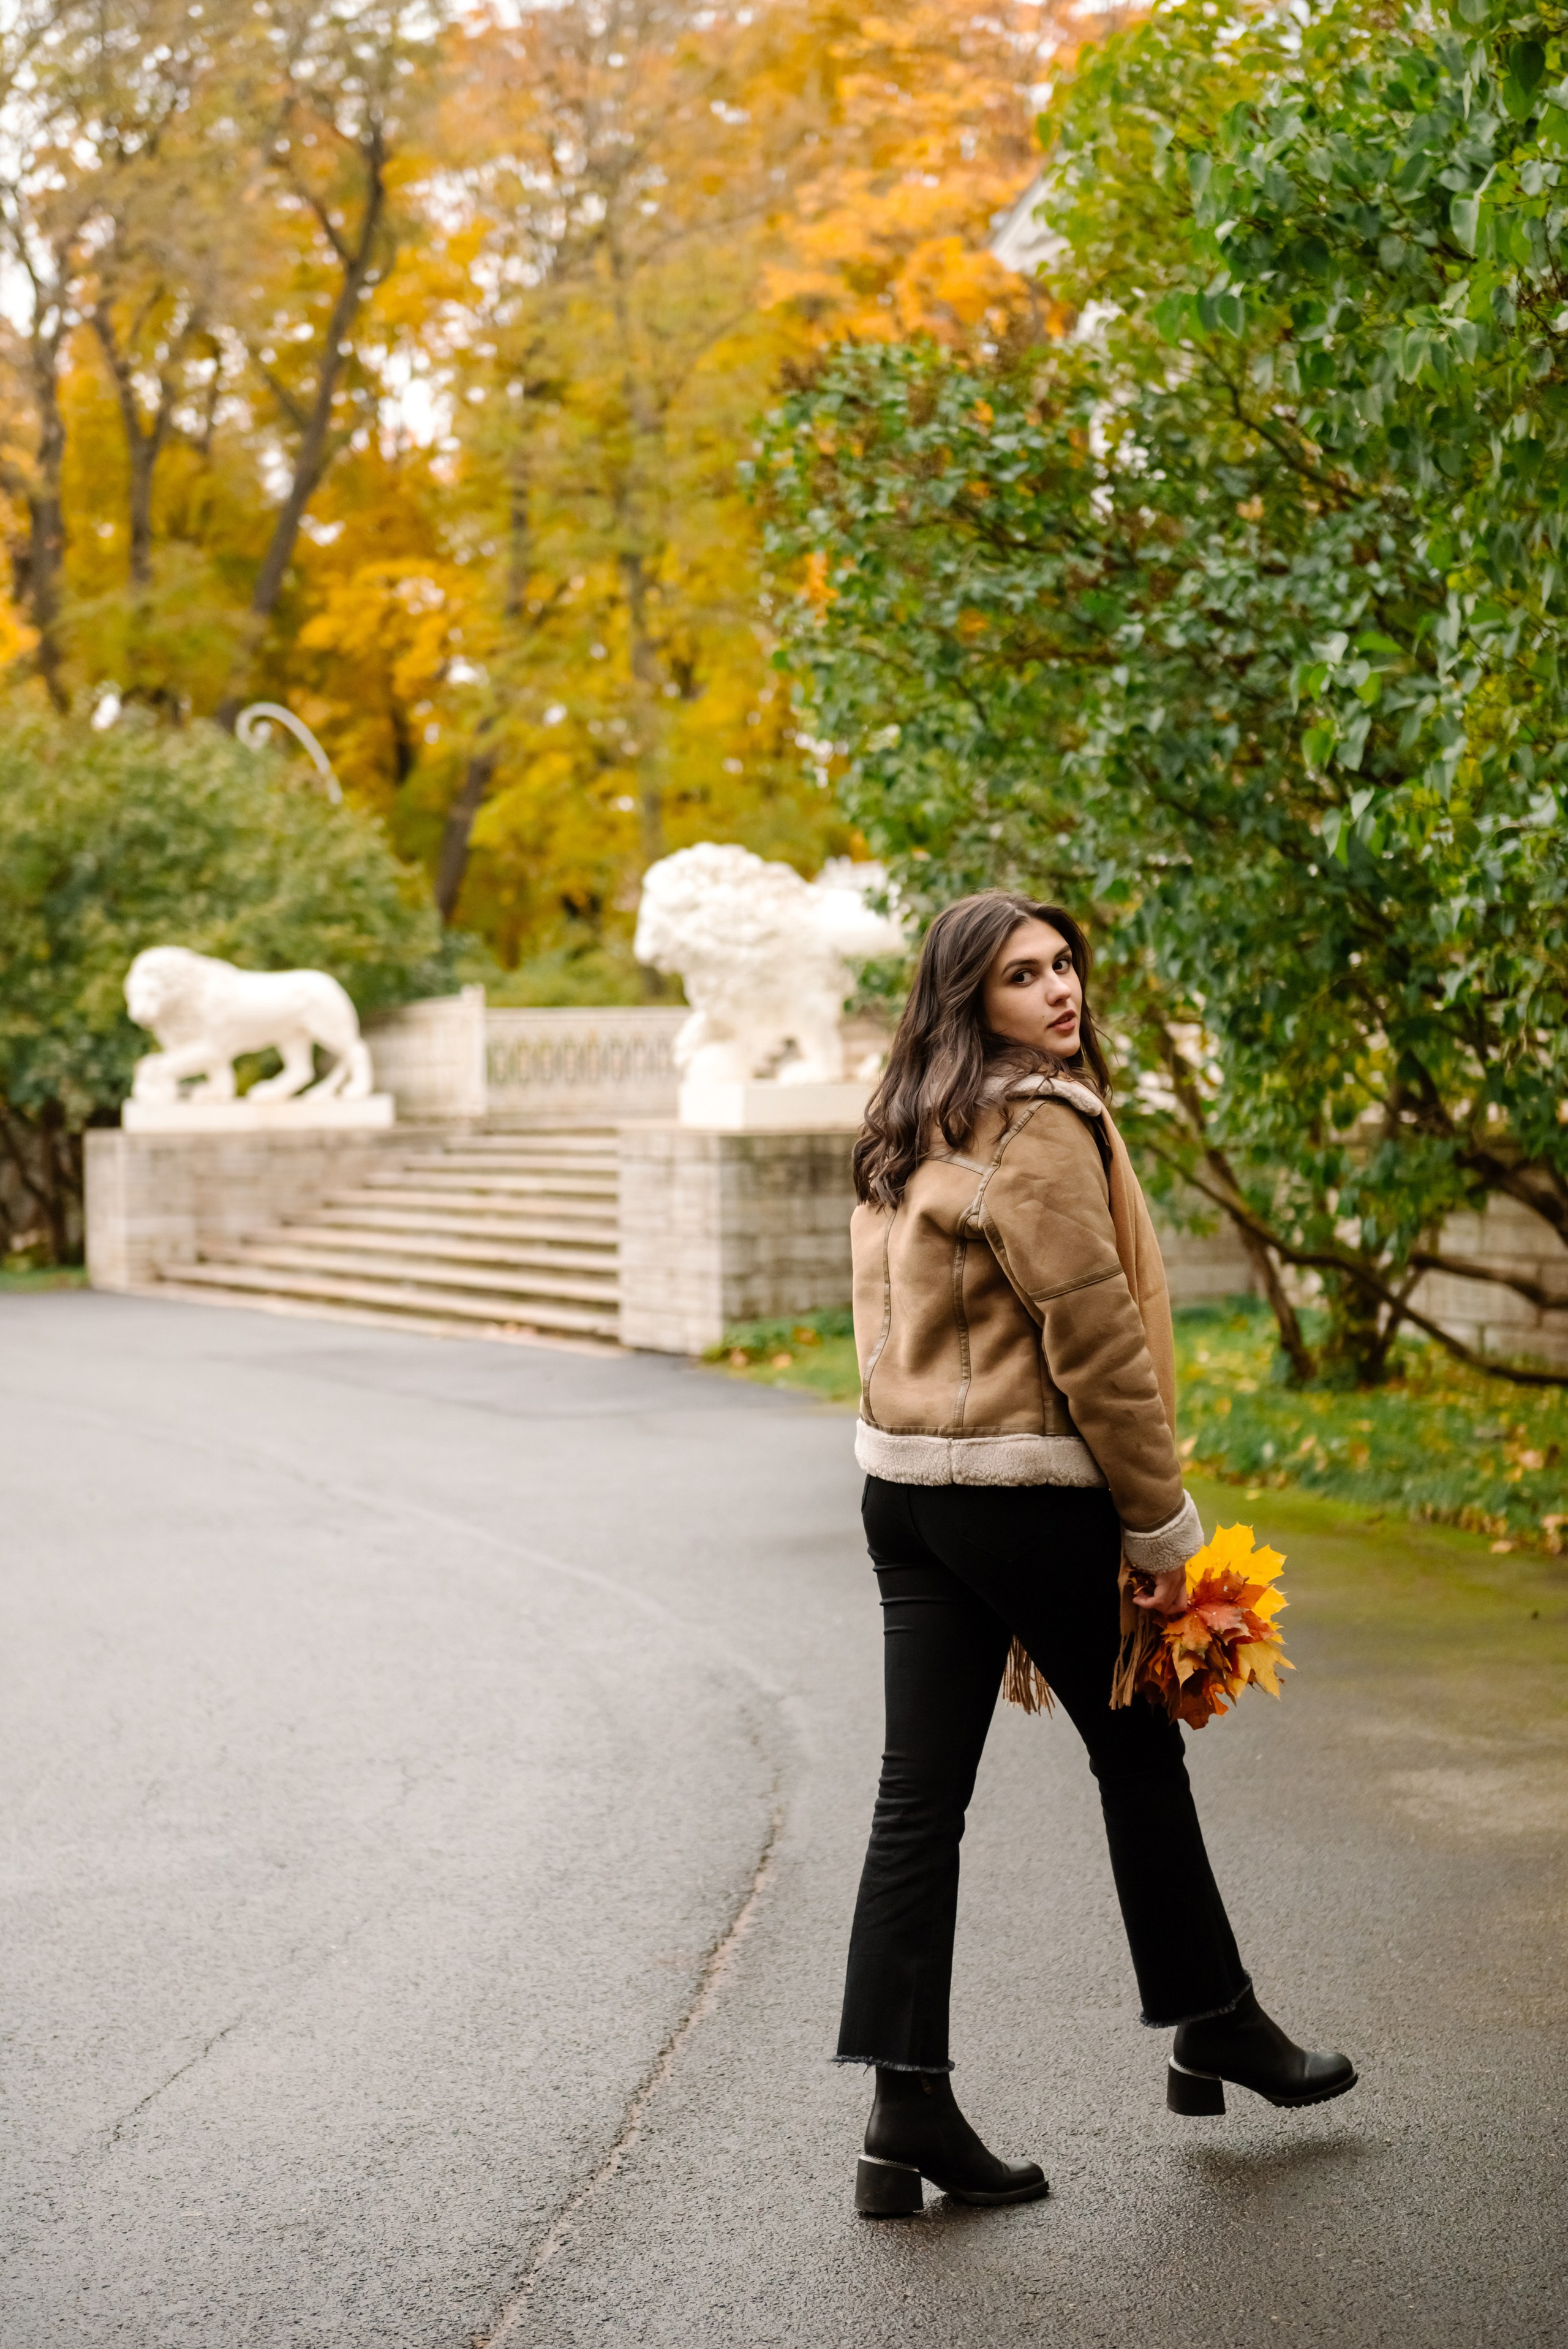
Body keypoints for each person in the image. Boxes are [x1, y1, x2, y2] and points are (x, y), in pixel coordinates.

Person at [837, 891, 1355, 2218]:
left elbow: (877, 1321)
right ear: (972, 999)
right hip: (1016, 1493)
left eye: (1063, 965)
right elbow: (1098, 1340)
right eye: (1023, 975)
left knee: (917, 1797)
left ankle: (905, 2109)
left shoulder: (903, 1121)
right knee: (1135, 1750)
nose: (1059, 990)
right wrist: (1156, 1525)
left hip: (904, 1492)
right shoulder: (1039, 1126)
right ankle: (1213, 2019)